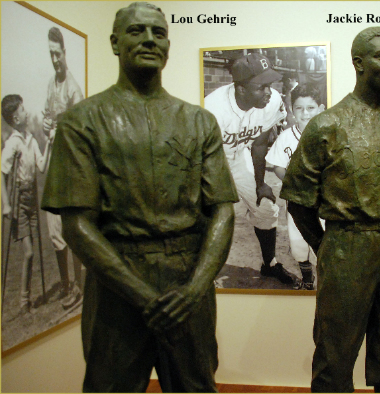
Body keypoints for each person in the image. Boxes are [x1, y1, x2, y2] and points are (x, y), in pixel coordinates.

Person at [41, 3, 238, 392]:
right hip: (116, 287)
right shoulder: (82, 121)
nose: (149, 39)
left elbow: (222, 212)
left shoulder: (199, 122)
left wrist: (195, 289)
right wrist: (144, 297)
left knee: (196, 386)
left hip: (188, 282)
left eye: (159, 33)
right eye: (136, 31)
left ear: (168, 45)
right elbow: (77, 224)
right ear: (115, 43)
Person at [281, 27, 380, 392]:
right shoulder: (327, 125)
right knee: (335, 354)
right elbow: (298, 200)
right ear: (358, 63)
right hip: (346, 247)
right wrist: (327, 245)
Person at [204, 53, 293, 285]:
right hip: (209, 161)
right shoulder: (213, 108)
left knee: (265, 207)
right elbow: (201, 154)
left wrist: (260, 184)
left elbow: (260, 144)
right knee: (211, 216)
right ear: (241, 89)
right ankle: (203, 271)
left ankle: (270, 264)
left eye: (270, 84)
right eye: (261, 86)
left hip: (240, 155)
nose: (269, 91)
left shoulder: (270, 101)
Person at [265, 84, 325, 290]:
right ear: (291, 110)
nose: (305, 113)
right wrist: (292, 180)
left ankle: (326, 280)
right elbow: (277, 167)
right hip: (298, 200)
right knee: (298, 241)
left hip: (324, 201)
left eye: (311, 108)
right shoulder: (286, 137)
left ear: (321, 109)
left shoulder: (328, 135)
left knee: (325, 242)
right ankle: (308, 279)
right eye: (299, 108)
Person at [44, 26, 85, 308]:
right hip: (53, 165)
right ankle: (66, 284)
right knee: (53, 228)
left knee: (70, 228)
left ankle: (79, 288)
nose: (55, 59)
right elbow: (47, 113)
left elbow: (80, 132)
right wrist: (47, 123)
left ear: (65, 52)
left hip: (69, 166)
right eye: (50, 54)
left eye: (57, 54)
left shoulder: (73, 88)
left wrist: (58, 129)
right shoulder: (51, 84)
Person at [1, 95, 53, 314]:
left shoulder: (31, 139)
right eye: (22, 110)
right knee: (30, 253)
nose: (26, 112)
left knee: (34, 252)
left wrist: (49, 142)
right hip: (20, 201)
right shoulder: (13, 142)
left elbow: (42, 167)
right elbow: (2, 173)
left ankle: (28, 299)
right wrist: (5, 205)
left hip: (33, 199)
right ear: (15, 118)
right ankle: (23, 302)